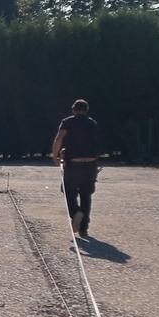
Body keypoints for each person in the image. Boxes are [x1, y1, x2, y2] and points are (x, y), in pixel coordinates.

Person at [52, 99, 99, 238]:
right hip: (91, 163)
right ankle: (84, 228)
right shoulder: (93, 123)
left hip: (73, 163)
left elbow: (59, 138)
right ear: (87, 110)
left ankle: (75, 212)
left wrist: (55, 155)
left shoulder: (67, 121)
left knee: (68, 191)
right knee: (86, 195)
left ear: (73, 110)